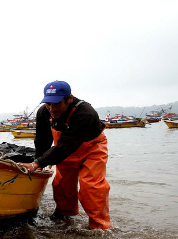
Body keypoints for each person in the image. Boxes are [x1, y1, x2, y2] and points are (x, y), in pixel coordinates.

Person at [19, 80, 111, 230]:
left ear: (69, 98)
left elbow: (66, 145)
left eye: (57, 104)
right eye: (48, 104)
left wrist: (36, 164)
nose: (52, 108)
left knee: (91, 186)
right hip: (64, 150)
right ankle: (64, 217)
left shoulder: (85, 113)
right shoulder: (44, 112)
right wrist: (38, 162)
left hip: (92, 149)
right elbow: (43, 140)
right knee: (62, 185)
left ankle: (100, 227)